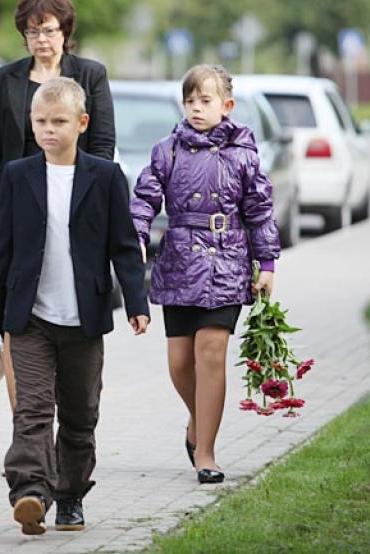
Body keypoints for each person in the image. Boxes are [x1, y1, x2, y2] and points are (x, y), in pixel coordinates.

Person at [0, 77, 150, 536]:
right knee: (31, 409)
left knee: (79, 415)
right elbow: (3, 251)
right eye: (41, 122)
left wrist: (136, 302)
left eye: (59, 122)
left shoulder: (106, 177)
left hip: (84, 318)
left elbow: (124, 247)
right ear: (31, 124)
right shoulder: (18, 175)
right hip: (29, 317)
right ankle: (30, 492)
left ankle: (69, 496)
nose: (49, 130)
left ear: (82, 123)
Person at [0, 0, 116, 411]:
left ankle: (66, 417)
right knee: (17, 318)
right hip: (19, 213)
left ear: (65, 32)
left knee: (69, 313)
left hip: (74, 210)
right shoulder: (7, 79)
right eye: (32, 32)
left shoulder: (90, 76)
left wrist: (92, 202)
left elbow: (103, 145)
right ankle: (26, 432)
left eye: (49, 30)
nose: (41, 40)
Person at [131, 64, 280, 485]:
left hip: (228, 260)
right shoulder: (168, 150)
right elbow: (144, 198)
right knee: (180, 362)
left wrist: (266, 264)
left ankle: (207, 452)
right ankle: (199, 419)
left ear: (227, 106)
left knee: (211, 351)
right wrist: (136, 236)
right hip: (179, 260)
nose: (196, 108)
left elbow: (260, 211)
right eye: (190, 100)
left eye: (206, 100)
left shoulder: (244, 154)